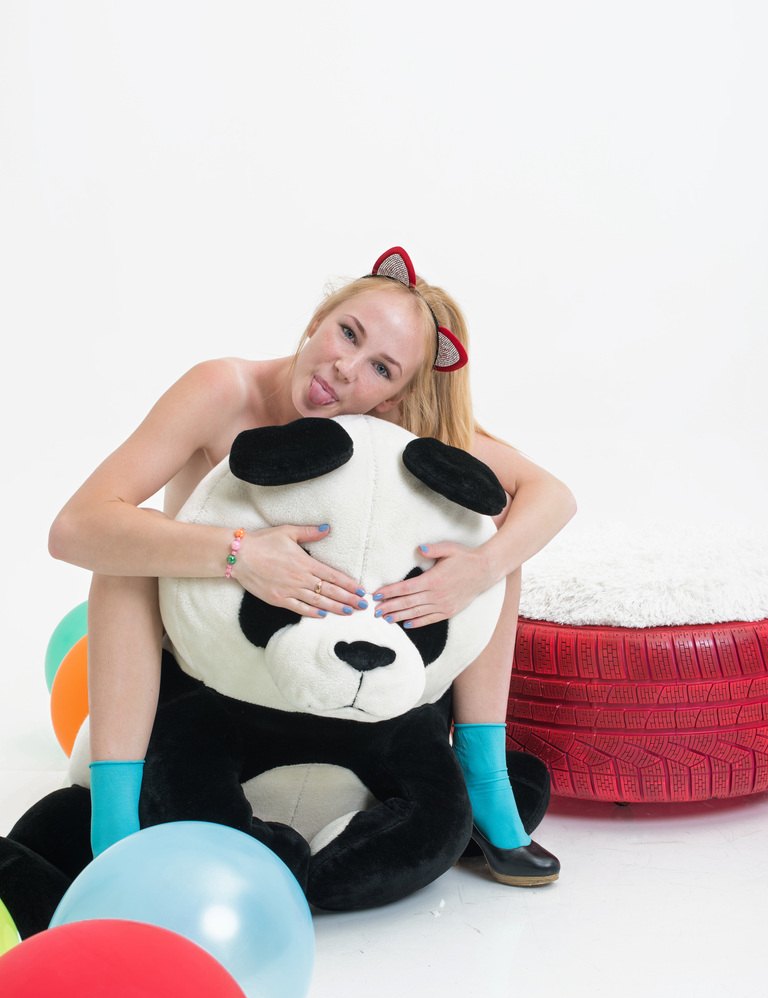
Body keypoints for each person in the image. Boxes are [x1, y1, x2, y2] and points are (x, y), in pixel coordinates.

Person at [48, 246, 576, 886]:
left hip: (336, 670)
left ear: (393, 397)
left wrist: (480, 567)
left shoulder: (389, 428)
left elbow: (551, 495)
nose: (346, 368)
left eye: (380, 368)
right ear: (320, 317)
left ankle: (486, 782)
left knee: (493, 545)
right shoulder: (224, 391)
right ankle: (113, 827)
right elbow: (75, 528)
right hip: (213, 670)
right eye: (347, 333)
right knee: (124, 552)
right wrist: (239, 553)